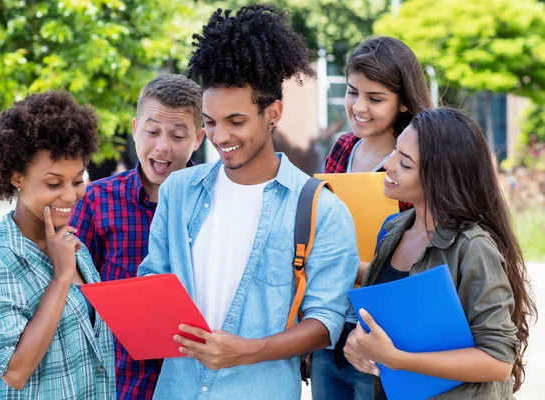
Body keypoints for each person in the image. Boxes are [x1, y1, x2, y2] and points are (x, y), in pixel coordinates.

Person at [137, 5, 359, 399]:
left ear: (272, 112)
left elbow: (325, 322)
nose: (220, 136)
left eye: (236, 122)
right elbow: (154, 275)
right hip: (177, 389)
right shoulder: (179, 191)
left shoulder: (322, 210)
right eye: (209, 121)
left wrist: (248, 352)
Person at [344, 108, 536, 399]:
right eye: (395, 151)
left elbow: (498, 361)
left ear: (440, 178)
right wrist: (356, 343)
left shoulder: (473, 247)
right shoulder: (392, 230)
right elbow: (387, 322)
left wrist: (398, 359)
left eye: (405, 164)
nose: (387, 164)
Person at [0, 91, 115, 399]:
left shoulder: (70, 244)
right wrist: (61, 278)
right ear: (17, 176)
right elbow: (15, 372)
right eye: (53, 183)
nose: (70, 196)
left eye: (77, 181)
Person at [312, 36, 434, 400]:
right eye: (352, 92)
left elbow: (420, 260)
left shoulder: (418, 166)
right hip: (332, 325)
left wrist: (351, 267)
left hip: (384, 334)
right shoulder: (342, 149)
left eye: (375, 98)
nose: (358, 107)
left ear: (403, 104)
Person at [70, 74, 205, 399]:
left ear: (199, 139)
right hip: (120, 381)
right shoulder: (97, 200)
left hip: (196, 379)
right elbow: (74, 297)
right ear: (134, 129)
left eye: (177, 135)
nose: (162, 146)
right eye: (152, 131)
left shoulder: (215, 202)